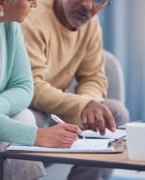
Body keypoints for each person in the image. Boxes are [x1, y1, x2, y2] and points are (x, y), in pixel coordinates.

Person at [0, 0, 81, 180]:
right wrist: (36, 136)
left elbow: (24, 87)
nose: (35, 3)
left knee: (25, 116)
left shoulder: (9, 25)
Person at [22, 0, 129, 179]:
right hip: (31, 106)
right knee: (30, 119)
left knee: (116, 114)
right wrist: (83, 104)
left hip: (59, 108)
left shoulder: (91, 24)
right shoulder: (33, 18)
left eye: (99, 1)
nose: (88, 6)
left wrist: (89, 106)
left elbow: (93, 76)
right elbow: (31, 87)